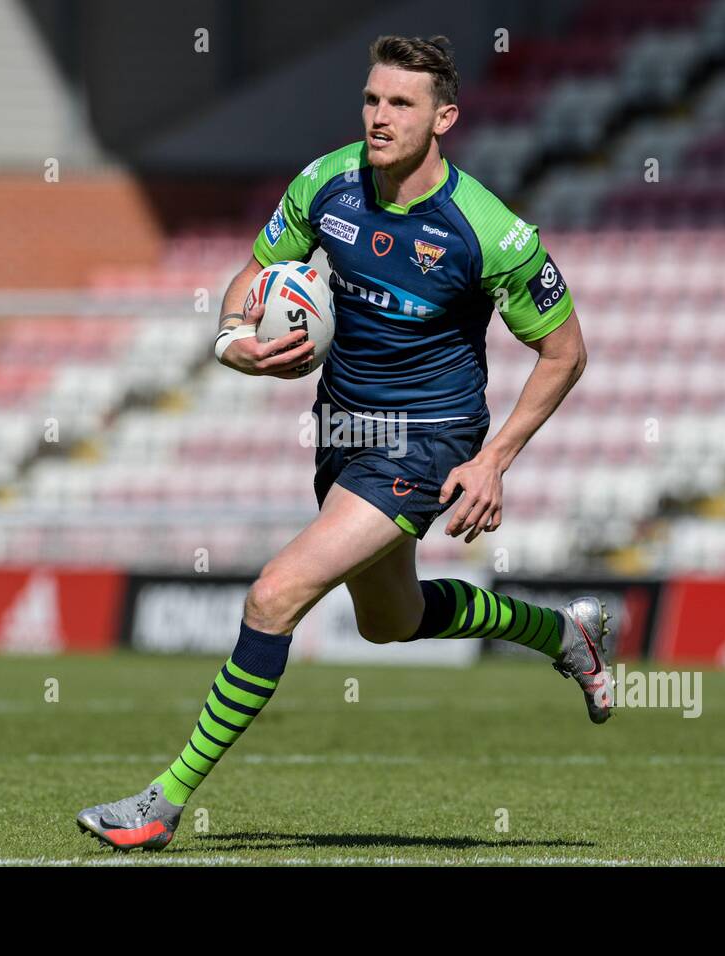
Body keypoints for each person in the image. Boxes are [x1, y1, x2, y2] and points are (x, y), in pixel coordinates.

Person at [77, 34, 612, 853]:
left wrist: (492, 459)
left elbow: (566, 350)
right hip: (341, 433)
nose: (380, 116)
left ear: (445, 117)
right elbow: (252, 276)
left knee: (274, 595)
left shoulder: (490, 231)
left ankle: (161, 802)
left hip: (426, 440)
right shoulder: (324, 186)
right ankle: (561, 635)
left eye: (401, 103)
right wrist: (232, 343)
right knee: (390, 624)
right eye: (372, 99)